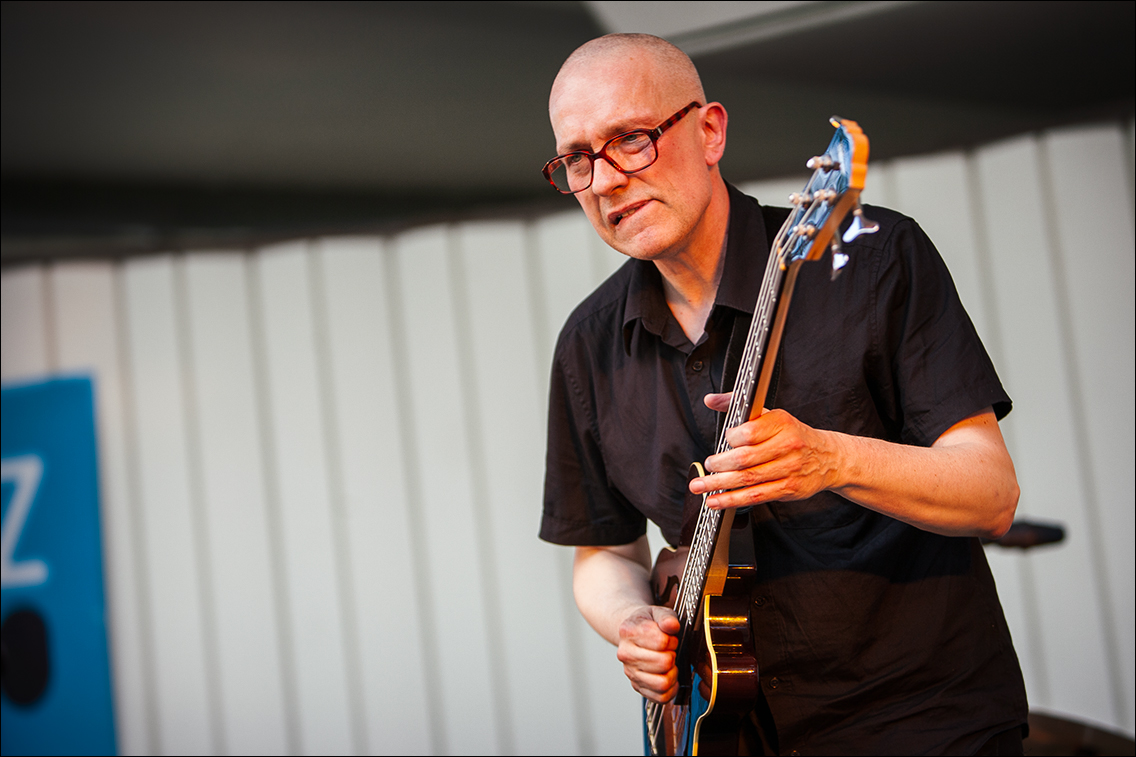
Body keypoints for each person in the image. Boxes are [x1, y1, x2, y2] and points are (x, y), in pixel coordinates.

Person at [537, 33, 1029, 755]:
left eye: (632, 139)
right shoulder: (588, 343)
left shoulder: (875, 261)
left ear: (710, 132)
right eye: (578, 158)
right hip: (730, 735)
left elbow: (991, 491)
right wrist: (630, 621)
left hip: (922, 721)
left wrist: (831, 459)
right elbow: (603, 553)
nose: (605, 180)